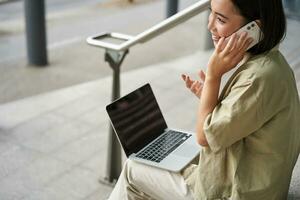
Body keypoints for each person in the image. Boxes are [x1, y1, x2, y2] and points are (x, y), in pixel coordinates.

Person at [107, 0, 300, 199]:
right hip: (259, 186)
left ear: (253, 29)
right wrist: (213, 99)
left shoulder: (256, 79)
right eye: (211, 12)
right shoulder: (273, 63)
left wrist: (212, 77)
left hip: (236, 193)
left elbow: (205, 137)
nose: (210, 25)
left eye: (221, 19)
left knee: (133, 169)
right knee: (155, 173)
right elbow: (245, 119)